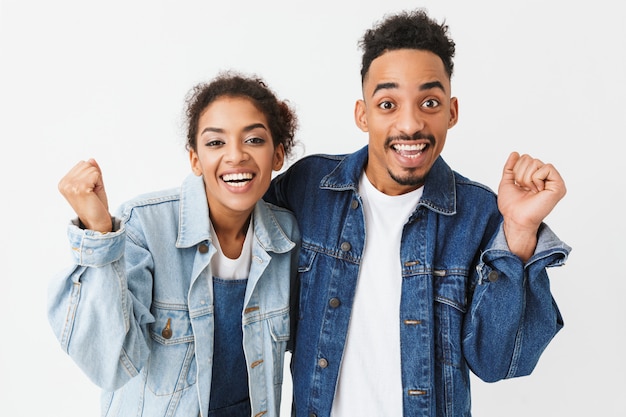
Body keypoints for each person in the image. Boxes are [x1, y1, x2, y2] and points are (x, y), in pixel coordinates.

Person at [264, 9, 571, 417]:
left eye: (429, 102)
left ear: (452, 111)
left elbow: (498, 363)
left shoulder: (481, 215)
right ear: (362, 114)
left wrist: (519, 229)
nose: (410, 125)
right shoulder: (308, 188)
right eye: (388, 103)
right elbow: (236, 257)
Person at [48, 72, 300, 417]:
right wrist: (99, 233)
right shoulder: (146, 226)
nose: (236, 155)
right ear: (195, 159)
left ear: (278, 155)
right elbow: (110, 365)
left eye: (254, 140)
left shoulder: (288, 241)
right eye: (215, 143)